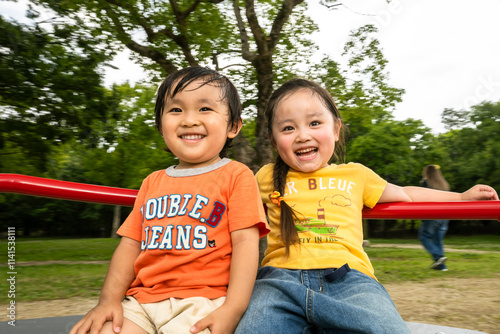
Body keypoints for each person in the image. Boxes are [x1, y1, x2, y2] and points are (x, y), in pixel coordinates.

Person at [235, 78, 499, 334]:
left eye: (314, 123)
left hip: (350, 280)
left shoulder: (356, 175)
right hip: (278, 281)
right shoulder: (265, 176)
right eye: (288, 128)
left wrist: (461, 198)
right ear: (273, 139)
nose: (303, 135)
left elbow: (407, 194)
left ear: (336, 130)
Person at [70, 67, 269, 334]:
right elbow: (130, 245)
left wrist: (232, 309)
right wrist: (108, 300)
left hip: (203, 302)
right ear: (161, 126)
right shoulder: (152, 182)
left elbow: (246, 244)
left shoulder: (236, 175)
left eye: (205, 109)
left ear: (233, 126)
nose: (188, 120)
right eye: (176, 110)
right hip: (141, 301)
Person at [419, 164, 451, 271]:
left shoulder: (426, 183)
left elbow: (421, 199)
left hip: (432, 215)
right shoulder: (444, 184)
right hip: (445, 216)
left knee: (424, 236)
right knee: (438, 240)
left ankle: (438, 256)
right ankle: (442, 267)